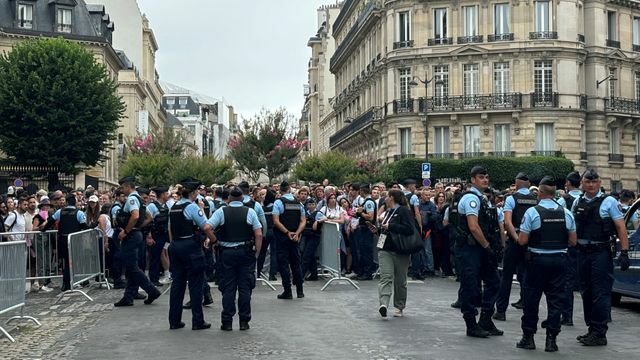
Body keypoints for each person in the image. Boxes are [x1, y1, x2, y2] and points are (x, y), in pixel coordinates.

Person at [515, 176, 577, 352]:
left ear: (540, 193)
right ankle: (551, 340)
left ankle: (529, 338)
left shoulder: (532, 212)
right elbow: (573, 241)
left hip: (537, 261)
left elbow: (522, 240)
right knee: (556, 300)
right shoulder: (566, 213)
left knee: (531, 300)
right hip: (559, 261)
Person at [572, 169, 630, 346]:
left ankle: (599, 332)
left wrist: (625, 252)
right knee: (586, 292)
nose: (591, 185)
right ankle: (592, 329)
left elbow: (621, 227)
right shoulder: (577, 201)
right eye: (587, 182)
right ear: (582, 183)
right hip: (582, 252)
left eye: (594, 182)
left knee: (601, 293)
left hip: (600, 253)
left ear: (599, 183)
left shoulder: (609, 202)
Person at [449, 166, 502, 338]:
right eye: (481, 177)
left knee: (494, 282)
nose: (485, 180)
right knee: (470, 287)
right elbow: (473, 226)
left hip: (480, 247)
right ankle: (471, 324)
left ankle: (486, 319)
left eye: (486, 177)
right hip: (470, 249)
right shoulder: (472, 199)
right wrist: (487, 247)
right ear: (473, 180)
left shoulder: (483, 199)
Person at [207, 187, 262, 331]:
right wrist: (256, 252)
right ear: (242, 199)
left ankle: (227, 321)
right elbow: (258, 234)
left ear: (229, 198)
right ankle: (244, 321)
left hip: (227, 253)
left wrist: (214, 241)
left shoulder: (221, 211)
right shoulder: (250, 212)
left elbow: (207, 227)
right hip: (246, 252)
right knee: (245, 288)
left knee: (228, 288)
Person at [167, 178, 217, 330]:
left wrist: (174, 243)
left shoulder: (174, 206)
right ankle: (198, 320)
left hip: (175, 245)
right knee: (196, 283)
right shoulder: (192, 207)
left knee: (177, 284)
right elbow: (206, 226)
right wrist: (214, 240)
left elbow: (170, 229)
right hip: (190, 246)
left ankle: (174, 320)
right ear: (194, 192)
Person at [494, 172, 538, 321]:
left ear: (516, 183)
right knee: (527, 277)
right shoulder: (535, 200)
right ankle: (528, 308)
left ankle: (501, 311)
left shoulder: (511, 199)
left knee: (506, 277)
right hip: (530, 242)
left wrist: (516, 238)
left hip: (515, 242)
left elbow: (507, 222)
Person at [113, 176, 162, 307]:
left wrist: (128, 230)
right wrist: (137, 228)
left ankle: (151, 290)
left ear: (128, 187)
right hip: (135, 234)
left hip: (131, 236)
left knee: (132, 266)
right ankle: (128, 296)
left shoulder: (132, 199)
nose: (122, 190)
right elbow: (148, 217)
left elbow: (135, 216)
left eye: (123, 187)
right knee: (131, 265)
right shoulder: (138, 199)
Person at [376, 189, 415, 318]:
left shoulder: (404, 211)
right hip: (385, 249)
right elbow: (385, 228)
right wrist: (377, 229)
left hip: (400, 250)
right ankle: (384, 304)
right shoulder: (388, 212)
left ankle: (399, 306)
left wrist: (391, 226)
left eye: (387, 196)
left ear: (391, 198)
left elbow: (409, 229)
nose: (385, 198)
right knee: (385, 277)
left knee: (400, 280)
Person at [272, 181, 306, 299]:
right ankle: (300, 291)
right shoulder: (299, 203)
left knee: (284, 264)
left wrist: (287, 232)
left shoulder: (278, 202)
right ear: (290, 190)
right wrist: (296, 233)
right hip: (295, 237)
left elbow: (276, 220)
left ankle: (288, 291)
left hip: (283, 237)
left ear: (281, 190)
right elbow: (303, 221)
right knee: (296, 264)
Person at [52, 194, 87, 292]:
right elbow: (84, 226)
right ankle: (73, 282)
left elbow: (50, 221)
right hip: (75, 241)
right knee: (73, 262)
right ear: (75, 202)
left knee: (65, 263)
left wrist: (43, 230)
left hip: (62, 241)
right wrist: (92, 227)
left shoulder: (60, 211)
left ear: (67, 202)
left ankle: (65, 283)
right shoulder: (79, 213)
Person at [352, 185, 377, 280]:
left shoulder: (369, 202)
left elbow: (370, 217)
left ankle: (367, 273)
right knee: (362, 251)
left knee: (366, 252)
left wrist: (361, 212)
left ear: (362, 191)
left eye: (360, 191)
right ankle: (362, 272)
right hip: (363, 229)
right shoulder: (366, 202)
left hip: (367, 230)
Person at [147, 186, 170, 287]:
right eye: (166, 193)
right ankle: (153, 279)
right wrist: (149, 236)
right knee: (155, 257)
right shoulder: (152, 206)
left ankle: (156, 277)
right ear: (162, 195)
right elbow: (148, 222)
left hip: (163, 234)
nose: (168, 195)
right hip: (155, 235)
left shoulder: (165, 206)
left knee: (160, 256)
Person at [301, 198, 323, 281]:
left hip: (314, 237)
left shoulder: (318, 213)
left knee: (306, 256)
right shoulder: (305, 213)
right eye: (309, 204)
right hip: (306, 236)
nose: (311, 206)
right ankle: (314, 275)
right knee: (311, 256)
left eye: (313, 204)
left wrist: (317, 221)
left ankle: (301, 275)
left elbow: (325, 218)